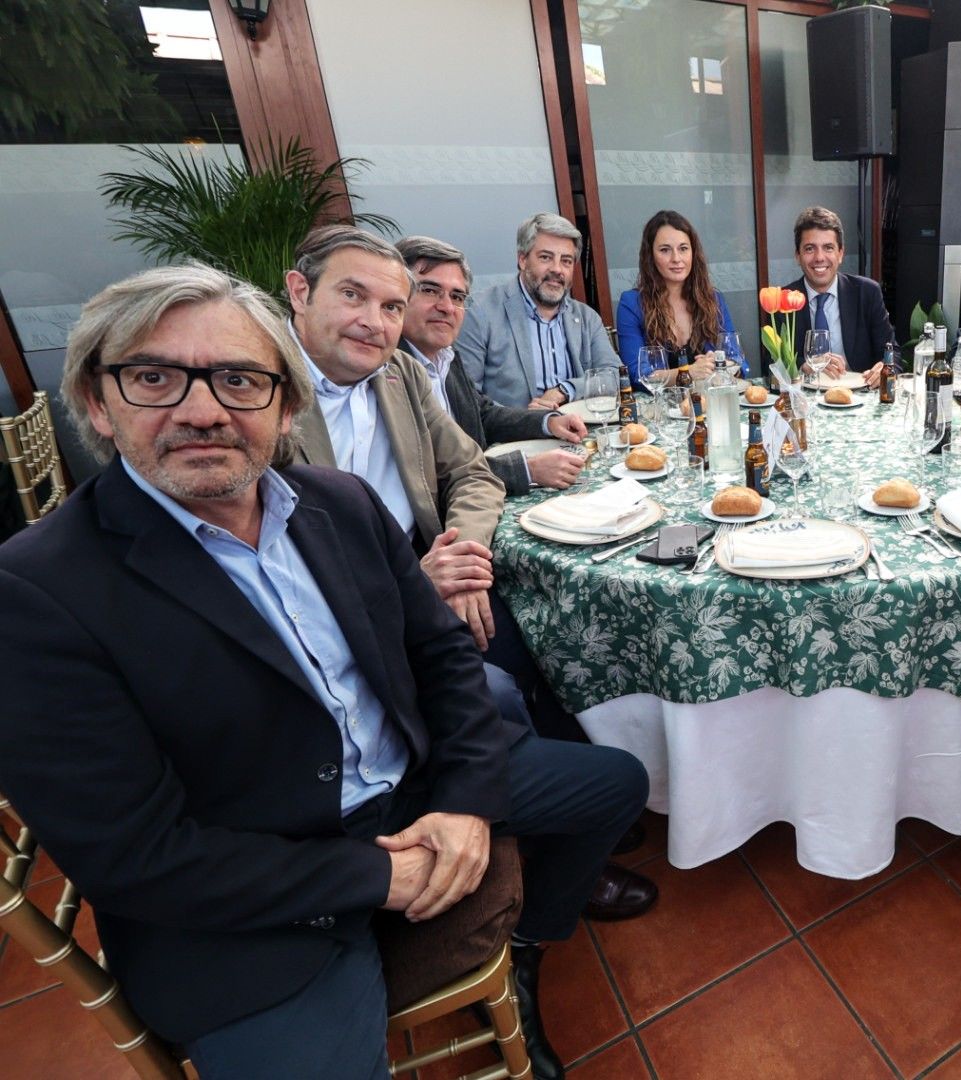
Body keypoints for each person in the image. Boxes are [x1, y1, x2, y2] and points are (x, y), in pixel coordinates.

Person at [0, 263, 651, 1077]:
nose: (202, 410)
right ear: (98, 401)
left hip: (409, 791)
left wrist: (463, 804)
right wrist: (379, 873)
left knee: (616, 785)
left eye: (240, 379)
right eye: (155, 378)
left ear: (284, 403)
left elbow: (442, 657)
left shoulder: (335, 502)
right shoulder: (37, 590)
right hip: (250, 901)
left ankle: (524, 944)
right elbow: (136, 856)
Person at [285, 227, 658, 932]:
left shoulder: (393, 372)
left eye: (391, 304)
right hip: (369, 637)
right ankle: (546, 859)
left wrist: (458, 562)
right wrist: (414, 584)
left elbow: (469, 468)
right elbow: (277, 576)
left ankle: (574, 817)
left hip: (437, 572)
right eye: (355, 295)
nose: (379, 319)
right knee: (501, 691)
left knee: (545, 647)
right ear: (298, 292)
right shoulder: (264, 402)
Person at [394, 234, 589, 495]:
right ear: (397, 297)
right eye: (430, 290)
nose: (447, 307)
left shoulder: (446, 357)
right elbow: (429, 471)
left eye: (457, 296)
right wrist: (526, 470)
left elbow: (483, 415)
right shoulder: (388, 372)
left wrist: (548, 421)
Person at [457, 212, 620, 410]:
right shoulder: (480, 311)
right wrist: (529, 421)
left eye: (566, 261)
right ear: (522, 259)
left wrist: (565, 391)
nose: (557, 269)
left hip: (581, 432)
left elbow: (613, 375)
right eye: (546, 257)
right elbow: (466, 396)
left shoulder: (586, 318)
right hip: (513, 437)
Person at [616, 209, 741, 389]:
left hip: (710, 403)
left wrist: (721, 364)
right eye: (665, 250)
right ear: (650, 256)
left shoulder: (713, 299)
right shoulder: (631, 304)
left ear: (693, 253)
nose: (676, 258)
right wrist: (687, 372)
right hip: (660, 410)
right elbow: (636, 375)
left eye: (683, 249)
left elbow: (737, 360)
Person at [777, 205, 894, 384]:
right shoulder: (783, 301)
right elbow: (771, 363)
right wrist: (802, 367)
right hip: (805, 400)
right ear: (797, 256)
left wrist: (885, 367)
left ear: (840, 254)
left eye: (828, 248)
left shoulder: (867, 292)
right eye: (809, 248)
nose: (819, 257)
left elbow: (893, 351)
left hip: (859, 395)